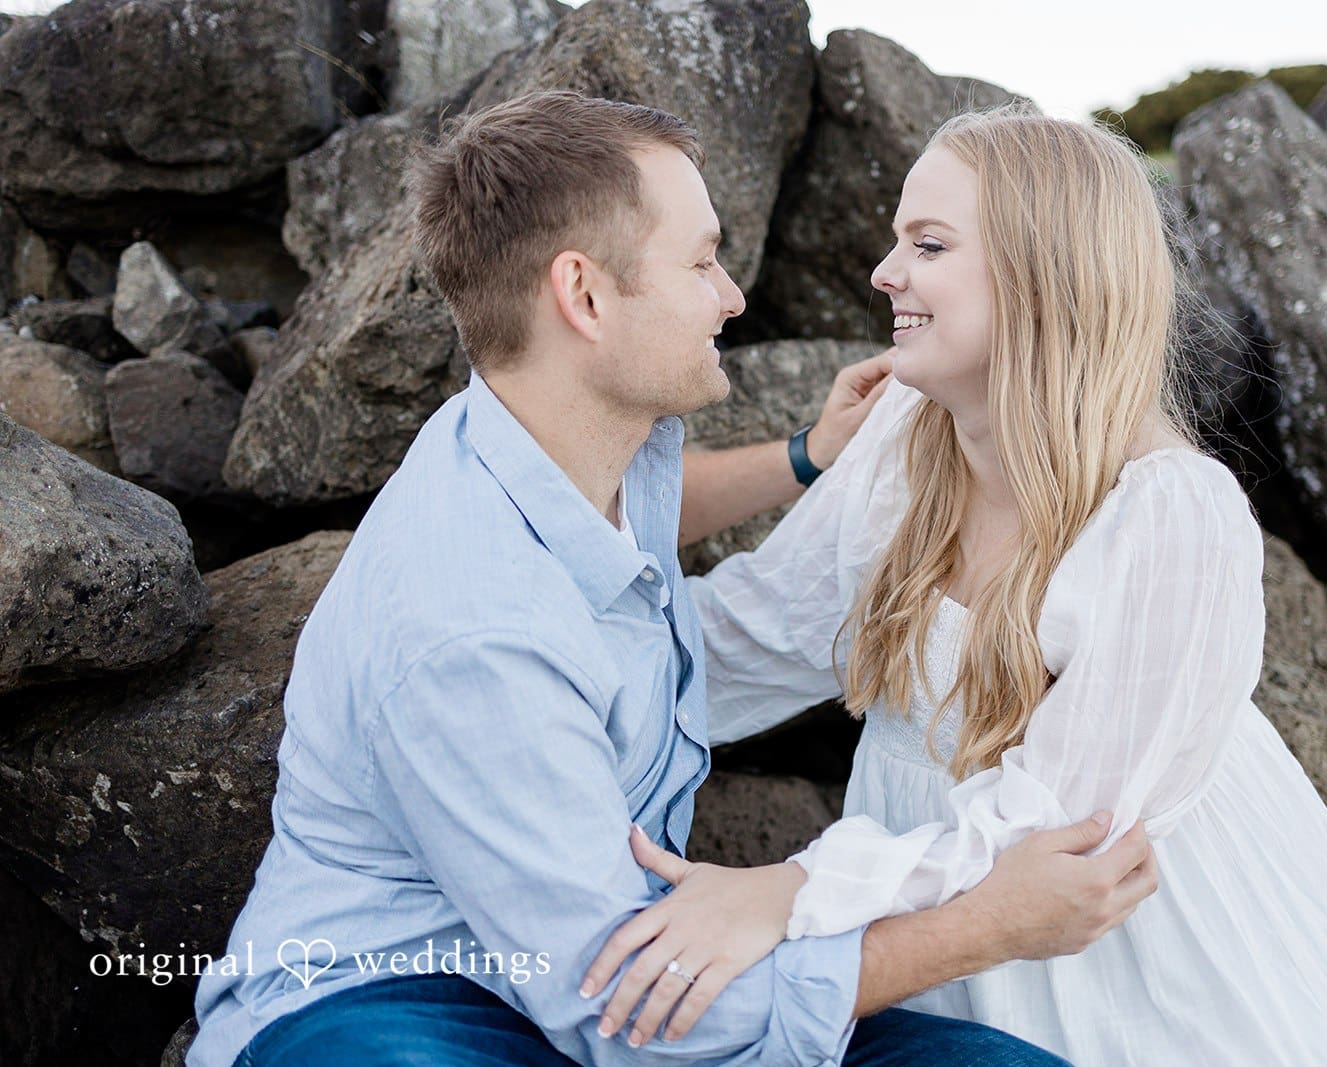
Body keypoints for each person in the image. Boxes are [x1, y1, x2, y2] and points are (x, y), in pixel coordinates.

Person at [186, 90, 1162, 1067]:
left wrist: (805, 454)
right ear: (584, 296)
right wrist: (986, 925)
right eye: (700, 262)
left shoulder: (561, 437)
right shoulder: (469, 628)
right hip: (407, 997)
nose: (732, 295)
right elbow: (626, 1011)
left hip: (605, 957)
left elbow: (640, 519)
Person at [585, 104, 1327, 1065]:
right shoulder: (906, 430)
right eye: (898, 240)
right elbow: (751, 635)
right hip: (936, 934)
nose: (885, 273)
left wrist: (786, 893)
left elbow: (1060, 827)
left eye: (928, 244)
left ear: (1044, 274)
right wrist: (550, 683)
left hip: (1156, 970)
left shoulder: (1174, 513)